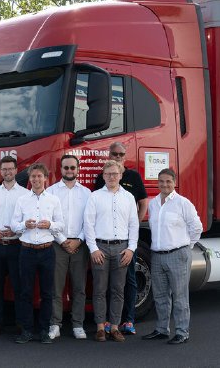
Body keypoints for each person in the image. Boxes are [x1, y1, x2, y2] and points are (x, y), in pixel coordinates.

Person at [142, 168, 202, 345]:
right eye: (161, 181)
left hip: (178, 255)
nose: (164, 184)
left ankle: (182, 332)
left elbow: (196, 227)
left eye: (168, 181)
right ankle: (162, 329)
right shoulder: (153, 204)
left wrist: (186, 246)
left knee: (180, 296)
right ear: (157, 182)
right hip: (157, 255)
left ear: (174, 182)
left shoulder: (183, 203)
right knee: (160, 296)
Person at [94, 142, 148, 335]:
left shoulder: (133, 176)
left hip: (125, 243)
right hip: (105, 242)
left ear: (125, 156)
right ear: (109, 154)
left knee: (130, 281)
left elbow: (143, 202)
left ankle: (128, 320)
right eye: (114, 153)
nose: (117, 156)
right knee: (108, 284)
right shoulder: (101, 182)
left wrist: (133, 226)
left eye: (121, 154)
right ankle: (108, 322)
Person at [85, 160, 139, 342]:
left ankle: (115, 327)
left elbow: (134, 225)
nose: (111, 177)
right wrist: (93, 249)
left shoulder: (129, 198)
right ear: (103, 175)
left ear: (121, 175)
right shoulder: (95, 197)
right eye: (108, 174)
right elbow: (88, 224)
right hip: (100, 248)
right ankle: (101, 327)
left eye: (115, 173)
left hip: (122, 250)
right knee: (99, 289)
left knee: (118, 289)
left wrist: (131, 249)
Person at [11, 163, 64, 344]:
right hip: (26, 250)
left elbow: (61, 225)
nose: (36, 179)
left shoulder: (54, 200)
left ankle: (43, 330)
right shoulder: (22, 200)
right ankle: (26, 330)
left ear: (45, 178)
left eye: (39, 176)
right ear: (30, 179)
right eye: (33, 177)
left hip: (47, 250)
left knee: (47, 293)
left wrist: (50, 225)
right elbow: (14, 225)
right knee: (25, 292)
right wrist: (24, 225)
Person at [47, 155, 91, 340]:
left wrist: (79, 240)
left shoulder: (87, 193)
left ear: (78, 169)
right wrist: (63, 240)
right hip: (58, 244)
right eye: (66, 168)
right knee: (56, 288)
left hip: (80, 245)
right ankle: (55, 324)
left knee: (79, 288)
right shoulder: (51, 192)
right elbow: (49, 220)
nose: (69, 171)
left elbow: (89, 221)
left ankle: (78, 325)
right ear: (61, 169)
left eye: (73, 167)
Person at [0, 155, 29, 335]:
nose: (8, 172)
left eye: (11, 169)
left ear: (16, 170)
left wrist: (17, 231)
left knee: (19, 286)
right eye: (4, 169)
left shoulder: (25, 194)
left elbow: (27, 219)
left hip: (17, 245)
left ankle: (20, 322)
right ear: (0, 171)